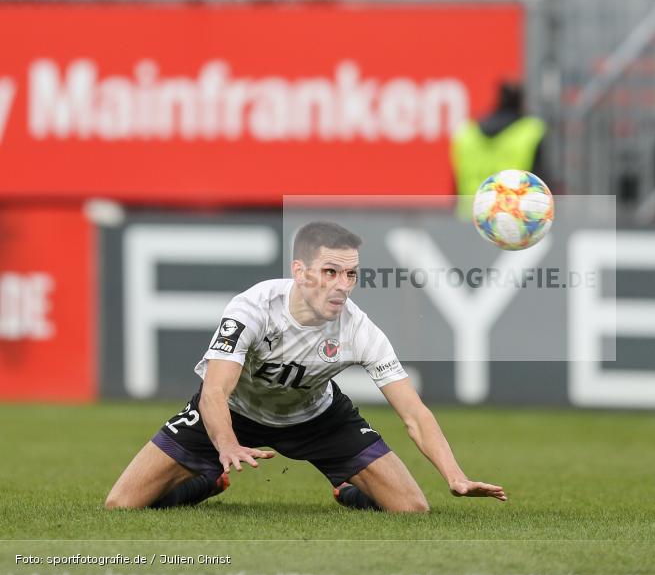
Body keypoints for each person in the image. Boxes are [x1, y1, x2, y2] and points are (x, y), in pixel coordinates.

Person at [105, 221, 506, 513]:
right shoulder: (253, 309)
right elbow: (214, 392)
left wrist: (455, 476)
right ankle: (204, 482)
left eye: (351, 274)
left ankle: (347, 490)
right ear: (300, 271)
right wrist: (225, 445)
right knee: (121, 504)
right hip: (236, 414)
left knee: (412, 509)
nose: (343, 285)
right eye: (330, 272)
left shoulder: (359, 330)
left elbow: (414, 413)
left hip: (318, 420)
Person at [451, 80, 550, 217]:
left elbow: (455, 184)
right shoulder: (531, 131)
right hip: (515, 220)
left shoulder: (467, 133)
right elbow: (541, 185)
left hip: (471, 217)